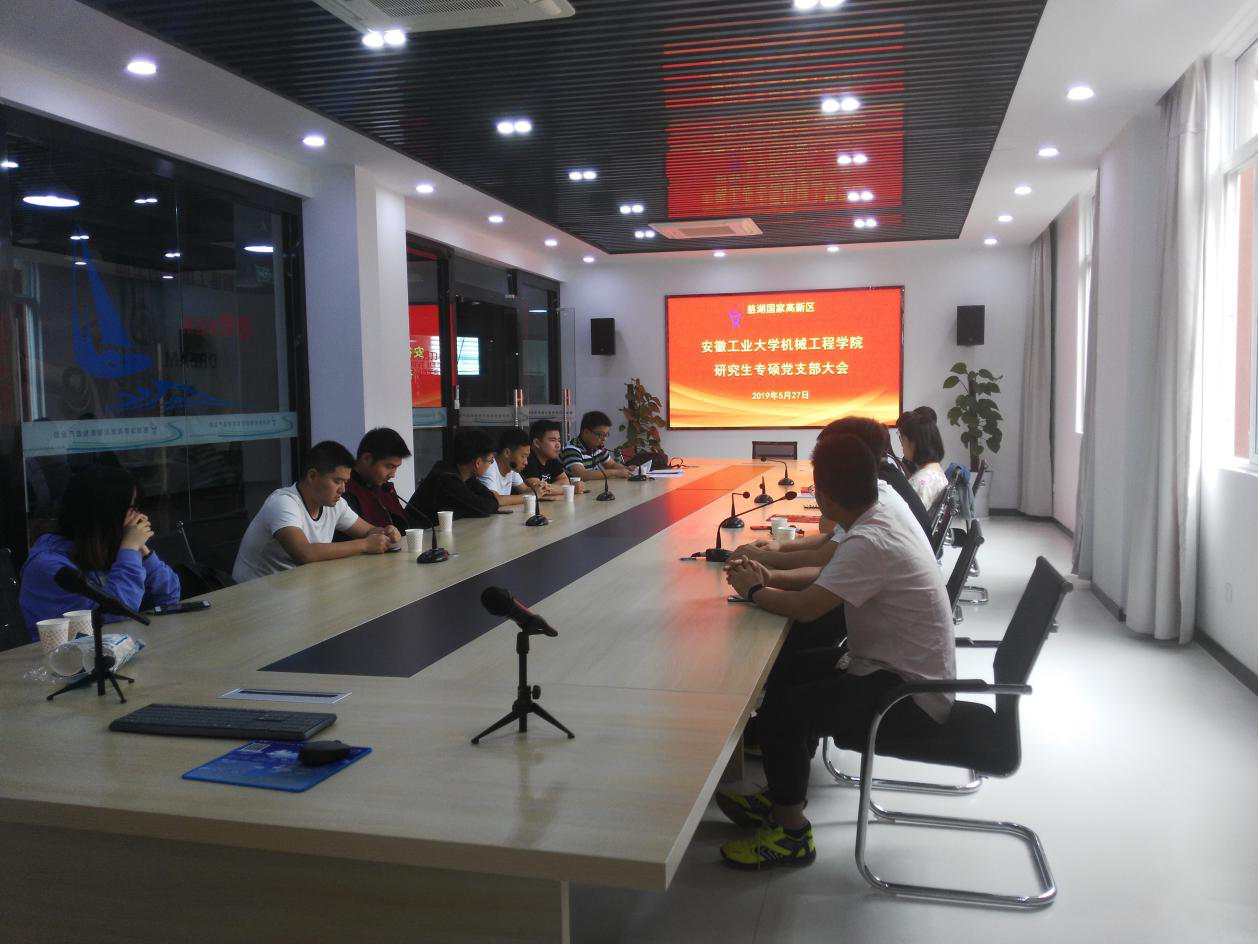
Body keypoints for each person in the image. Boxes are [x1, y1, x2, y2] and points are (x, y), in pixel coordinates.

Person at [716, 434, 954, 870]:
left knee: (782, 713)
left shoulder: (869, 540)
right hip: (894, 669)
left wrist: (753, 590)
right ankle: (784, 791)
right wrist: (768, 576)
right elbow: (827, 581)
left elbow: (808, 608)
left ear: (824, 496)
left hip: (908, 695)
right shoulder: (877, 516)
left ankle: (791, 834)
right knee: (786, 671)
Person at [19, 465, 181, 640]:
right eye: (131, 509)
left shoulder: (105, 548)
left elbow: (169, 597)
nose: (138, 517)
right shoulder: (49, 566)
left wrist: (144, 552)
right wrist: (130, 549)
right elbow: (115, 615)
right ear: (106, 514)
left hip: (111, 646)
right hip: (62, 654)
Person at [232, 441, 400, 583]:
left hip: (297, 587)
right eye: (337, 481)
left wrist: (386, 532)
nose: (343, 489)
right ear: (312, 476)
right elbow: (305, 554)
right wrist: (365, 545)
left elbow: (368, 531)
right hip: (255, 594)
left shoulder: (336, 504)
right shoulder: (283, 503)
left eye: (346, 482)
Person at [343, 427, 429, 531]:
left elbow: (406, 524)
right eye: (390, 466)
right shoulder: (344, 492)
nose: (393, 475)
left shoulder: (386, 489)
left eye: (396, 468)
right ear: (367, 459)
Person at [411, 428, 500, 521]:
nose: (491, 464)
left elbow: (492, 501)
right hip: (419, 529)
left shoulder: (467, 476)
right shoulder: (446, 479)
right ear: (478, 462)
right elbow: (484, 508)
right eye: (490, 461)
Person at [479, 427, 551, 507]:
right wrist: (533, 495)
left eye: (527, 457)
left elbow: (524, 490)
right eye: (523, 456)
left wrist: (540, 488)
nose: (526, 462)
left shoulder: (511, 467)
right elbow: (495, 499)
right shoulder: (488, 466)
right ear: (507, 453)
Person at [897, 407, 949, 508]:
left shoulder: (919, 483)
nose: (901, 443)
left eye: (902, 438)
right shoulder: (935, 469)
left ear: (915, 443)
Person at [559, 411, 632, 480]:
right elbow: (582, 475)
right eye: (600, 435)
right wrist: (615, 472)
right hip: (572, 488)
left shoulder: (597, 447)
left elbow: (611, 465)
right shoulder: (571, 449)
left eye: (606, 435)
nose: (604, 439)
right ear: (586, 432)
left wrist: (627, 469)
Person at [522, 419, 584, 493]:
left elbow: (564, 481)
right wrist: (570, 489)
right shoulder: (527, 459)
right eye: (553, 440)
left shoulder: (550, 457)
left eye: (558, 440)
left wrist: (550, 488)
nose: (558, 445)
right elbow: (537, 489)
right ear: (537, 443)